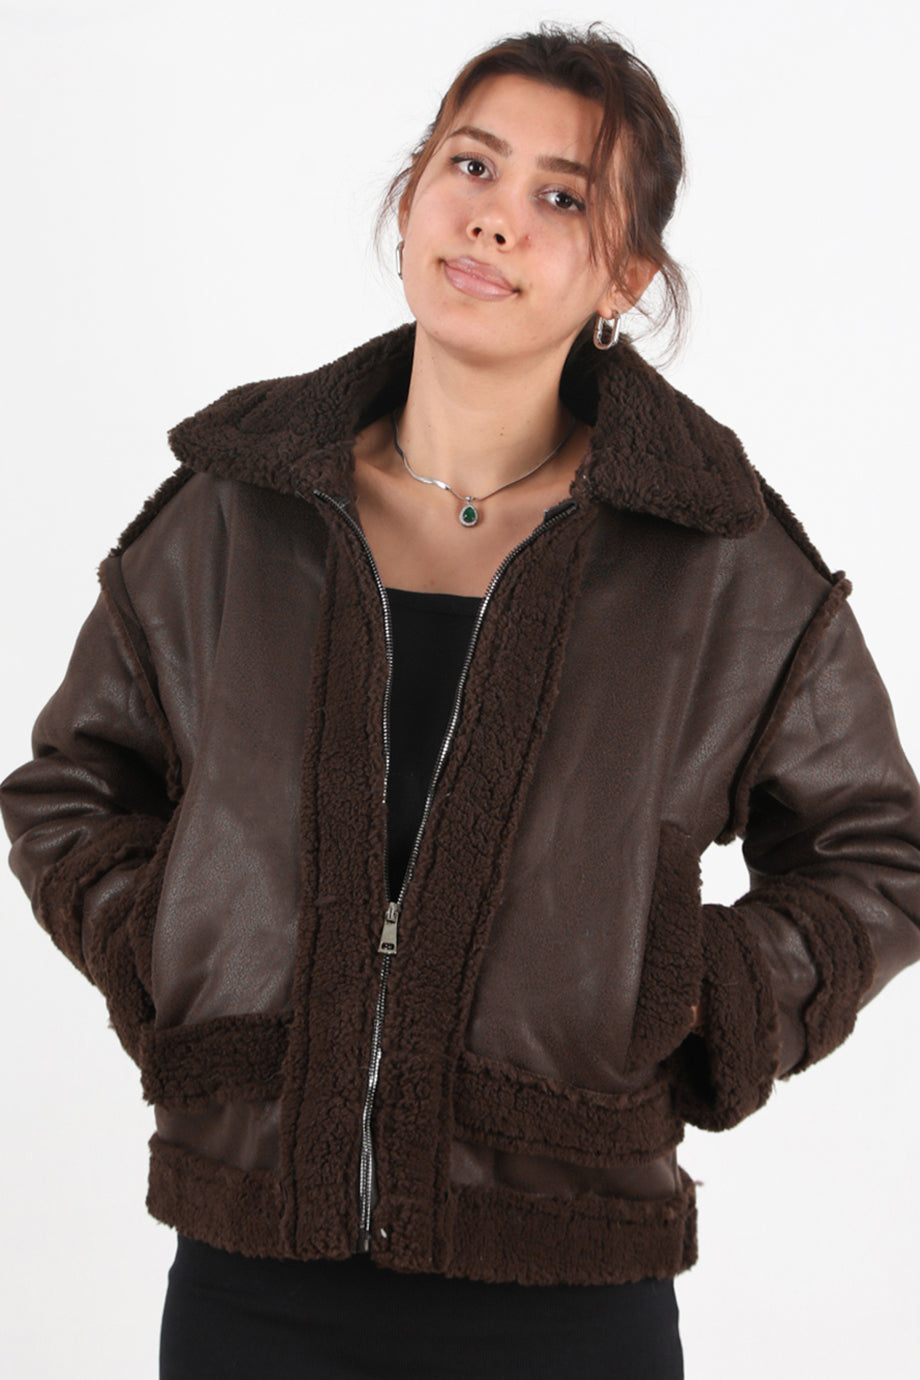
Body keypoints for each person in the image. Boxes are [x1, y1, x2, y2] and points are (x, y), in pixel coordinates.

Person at [2, 23, 919, 1380]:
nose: (495, 215)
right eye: (471, 164)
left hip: (568, 1287)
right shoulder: (241, 506)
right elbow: (74, 785)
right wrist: (169, 948)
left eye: (562, 196)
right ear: (412, 197)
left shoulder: (715, 559)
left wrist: (699, 994)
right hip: (253, 1276)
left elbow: (879, 853)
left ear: (625, 276)